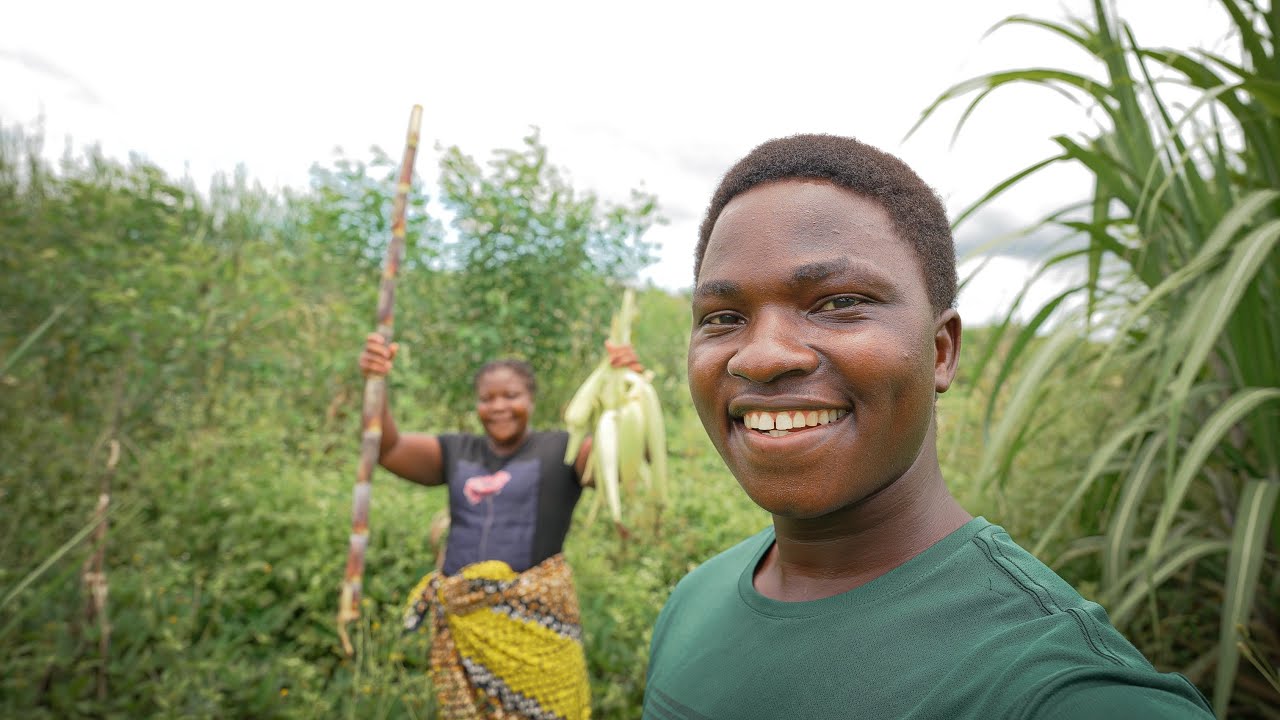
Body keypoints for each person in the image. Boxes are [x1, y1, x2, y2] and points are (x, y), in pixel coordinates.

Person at [641, 134, 1214, 719]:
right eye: (724, 317)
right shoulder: (694, 601)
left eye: (838, 303)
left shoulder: (1058, 688)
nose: (761, 357)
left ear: (940, 352)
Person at [360, 335, 640, 719]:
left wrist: (629, 390)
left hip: (538, 633)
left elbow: (621, 458)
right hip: (465, 629)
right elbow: (386, 448)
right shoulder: (458, 452)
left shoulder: (563, 450)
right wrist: (376, 382)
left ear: (531, 401)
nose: (499, 407)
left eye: (511, 396)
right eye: (487, 399)